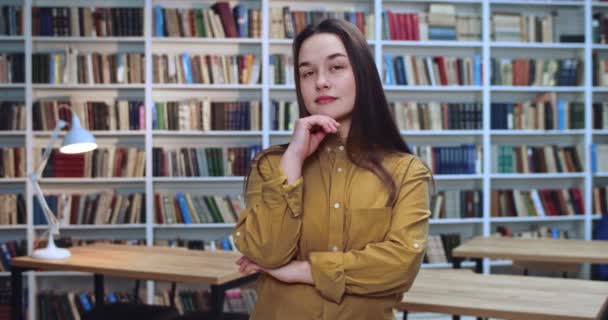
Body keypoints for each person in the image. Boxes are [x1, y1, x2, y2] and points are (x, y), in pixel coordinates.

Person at [232, 18, 432, 320]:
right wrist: (294, 160)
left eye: (336, 67)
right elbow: (265, 253)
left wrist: (304, 270)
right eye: (307, 72)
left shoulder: (406, 172)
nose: (320, 82)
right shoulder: (273, 166)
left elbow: (400, 267)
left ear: (362, 75)